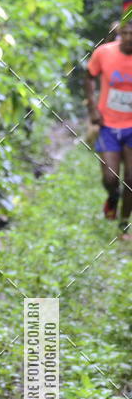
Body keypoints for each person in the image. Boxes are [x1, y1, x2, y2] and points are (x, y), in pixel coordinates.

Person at [85, 13, 132, 240]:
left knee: (131, 180)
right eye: (125, 33)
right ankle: (113, 197)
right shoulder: (104, 53)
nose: (129, 39)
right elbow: (88, 76)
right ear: (119, 34)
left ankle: (123, 226)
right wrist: (93, 109)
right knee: (110, 178)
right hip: (109, 124)